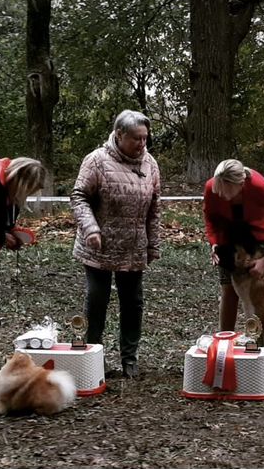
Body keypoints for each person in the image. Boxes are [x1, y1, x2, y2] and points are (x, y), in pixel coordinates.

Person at [71, 110, 161, 379]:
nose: (142, 144)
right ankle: (93, 356)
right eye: (136, 138)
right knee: (97, 300)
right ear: (120, 135)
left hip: (133, 248)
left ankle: (129, 359)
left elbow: (154, 208)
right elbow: (78, 197)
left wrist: (153, 244)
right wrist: (91, 228)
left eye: (145, 138)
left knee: (132, 302)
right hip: (98, 247)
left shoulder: (150, 164)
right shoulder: (96, 160)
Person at [203, 159, 264, 336]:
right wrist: (214, 243)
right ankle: (224, 342)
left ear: (240, 184)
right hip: (229, 239)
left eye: (227, 192)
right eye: (219, 191)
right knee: (229, 290)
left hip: (258, 240)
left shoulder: (259, 186)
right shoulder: (212, 187)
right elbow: (210, 218)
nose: (222, 196)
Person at [0, 157, 45, 260]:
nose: (25, 195)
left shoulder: (11, 193)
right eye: (28, 190)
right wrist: (2, 236)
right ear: (20, 182)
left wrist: (12, 233)